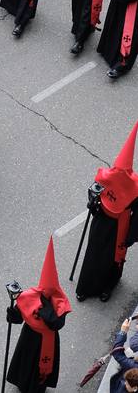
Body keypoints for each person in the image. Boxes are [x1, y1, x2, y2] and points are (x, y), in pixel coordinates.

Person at [76, 122, 138, 301]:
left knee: (113, 257)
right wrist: (93, 204)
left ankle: (108, 286)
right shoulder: (106, 175)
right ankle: (86, 287)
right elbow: (95, 191)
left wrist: (131, 235)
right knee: (94, 251)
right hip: (102, 219)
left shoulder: (135, 187)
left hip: (121, 224)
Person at [6, 237, 71, 393]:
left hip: (47, 340)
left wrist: (45, 309)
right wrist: (11, 313)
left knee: (38, 368)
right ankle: (22, 383)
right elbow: (18, 318)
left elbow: (57, 324)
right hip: (29, 337)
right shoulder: (30, 295)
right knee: (26, 362)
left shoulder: (60, 301)